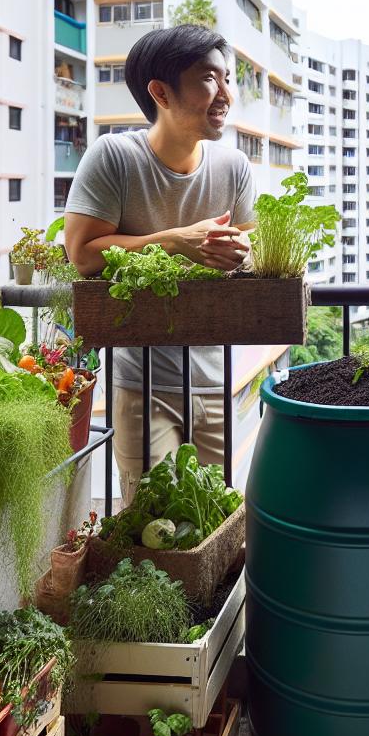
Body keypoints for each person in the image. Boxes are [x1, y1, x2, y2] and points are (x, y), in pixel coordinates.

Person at [64, 24, 254, 497]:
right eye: (209, 79)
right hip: (142, 383)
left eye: (227, 78)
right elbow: (83, 253)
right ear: (160, 92)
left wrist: (244, 254)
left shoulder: (233, 167)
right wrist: (174, 240)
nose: (225, 94)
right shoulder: (114, 157)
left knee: (215, 519)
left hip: (216, 378)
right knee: (155, 525)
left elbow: (254, 255)